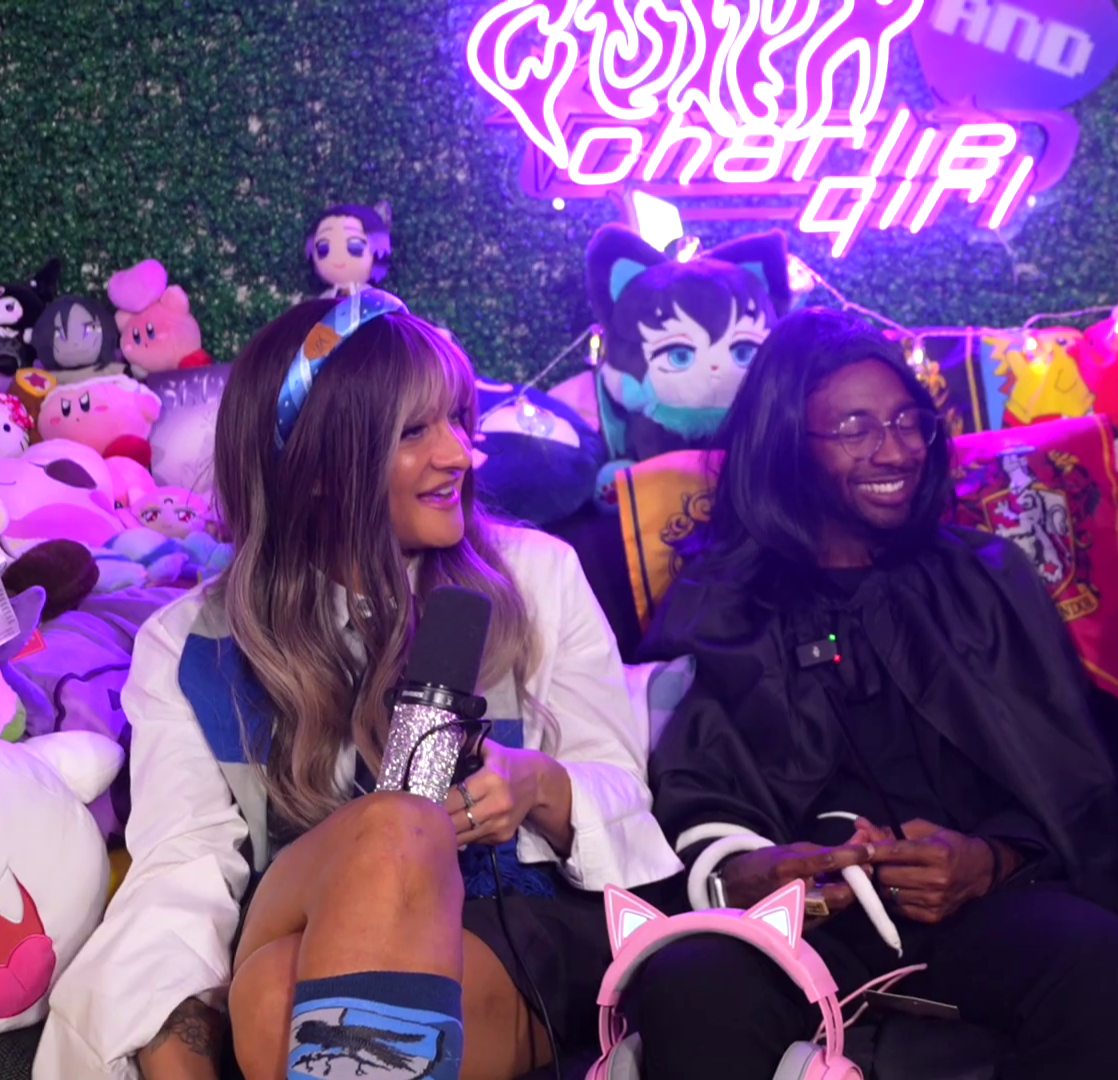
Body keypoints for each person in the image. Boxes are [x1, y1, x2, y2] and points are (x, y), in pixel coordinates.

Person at [36, 292, 681, 1080]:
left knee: (275, 998)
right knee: (391, 831)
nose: (460, 455)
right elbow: (184, 868)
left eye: (457, 420)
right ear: (315, 467)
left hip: (511, 932)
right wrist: (167, 1034)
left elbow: (622, 793)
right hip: (294, 910)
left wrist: (536, 784)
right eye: (414, 433)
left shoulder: (539, 577)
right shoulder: (188, 643)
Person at [625, 308, 1118, 1080]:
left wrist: (990, 859)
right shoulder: (719, 602)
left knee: (1110, 970)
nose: (897, 450)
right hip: (796, 933)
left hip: (979, 916)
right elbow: (689, 791)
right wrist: (753, 872)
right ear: (787, 445)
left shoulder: (987, 578)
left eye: (908, 422)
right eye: (856, 427)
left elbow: (1067, 781)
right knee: (692, 984)